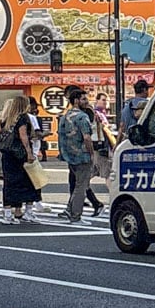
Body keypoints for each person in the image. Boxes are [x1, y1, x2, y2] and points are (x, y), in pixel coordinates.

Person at [58, 85, 105, 222]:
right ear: (77, 100)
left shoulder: (65, 116)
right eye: (84, 99)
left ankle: (70, 210)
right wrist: (91, 153)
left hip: (69, 155)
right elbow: (87, 137)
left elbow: (61, 136)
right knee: (81, 186)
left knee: (78, 184)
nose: (87, 101)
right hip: (82, 154)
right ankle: (75, 215)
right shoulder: (82, 117)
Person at [0, 95, 42, 225]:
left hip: (7, 154)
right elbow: (23, 136)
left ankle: (7, 213)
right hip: (19, 153)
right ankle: (28, 212)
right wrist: (29, 152)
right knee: (29, 182)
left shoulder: (6, 118)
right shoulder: (23, 117)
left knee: (9, 183)